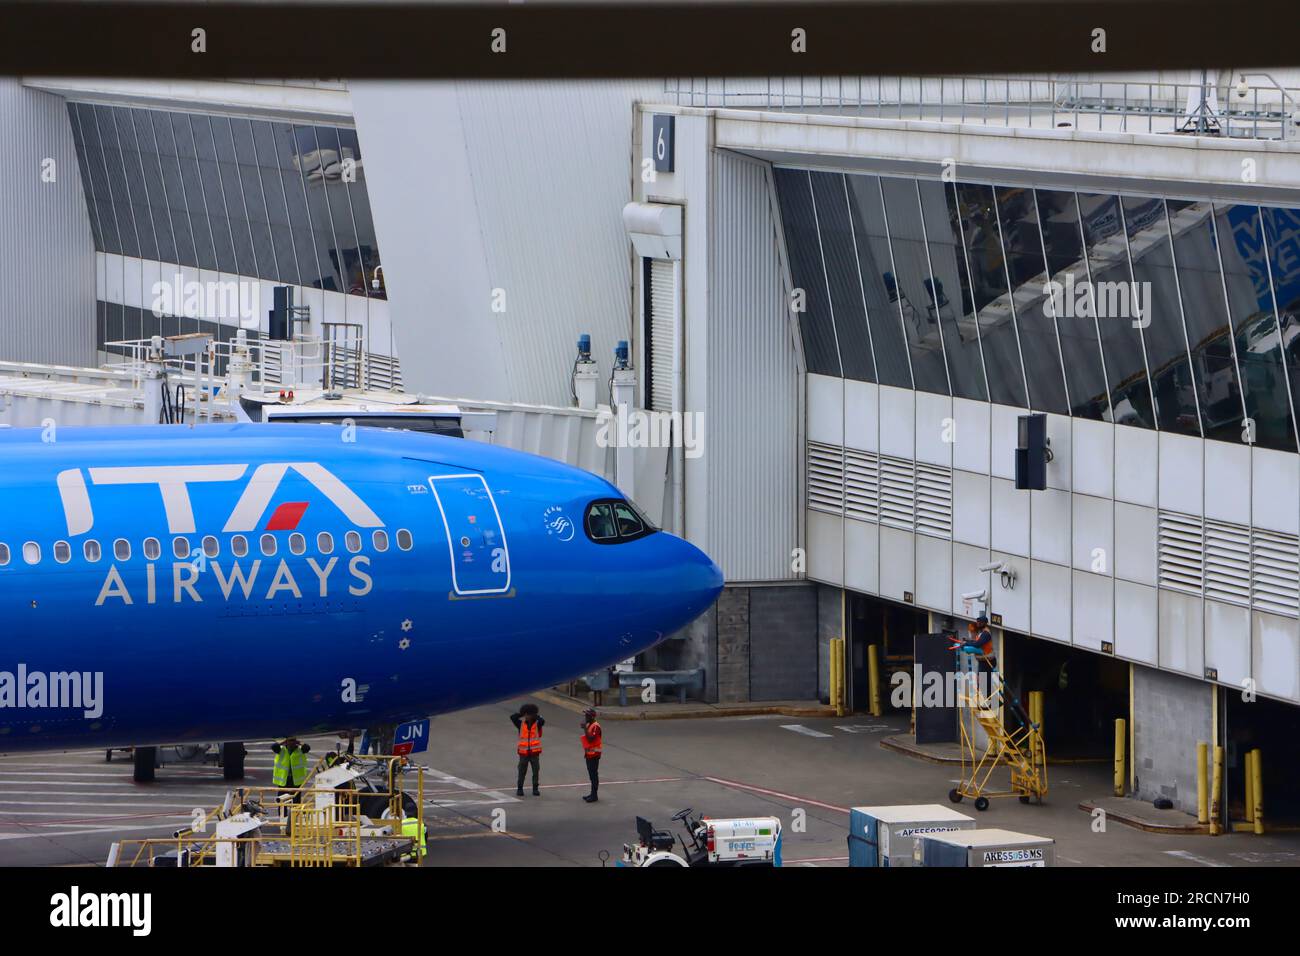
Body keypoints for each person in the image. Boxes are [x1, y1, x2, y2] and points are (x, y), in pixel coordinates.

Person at [511, 704, 544, 796]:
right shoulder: (520, 724)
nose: (527, 716)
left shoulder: (537, 724)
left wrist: (534, 714)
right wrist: (522, 713)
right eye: (525, 714)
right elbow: (513, 717)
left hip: (534, 753)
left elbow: (542, 720)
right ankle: (520, 788)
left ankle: (535, 788)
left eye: (528, 714)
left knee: (536, 771)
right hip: (523, 753)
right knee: (521, 771)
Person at [580, 708, 602, 803]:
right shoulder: (590, 725)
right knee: (591, 775)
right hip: (589, 754)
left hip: (594, 754)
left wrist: (584, 728)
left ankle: (594, 795)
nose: (585, 717)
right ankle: (592, 794)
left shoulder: (596, 726)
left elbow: (591, 739)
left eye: (587, 715)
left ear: (592, 717)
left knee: (593, 775)